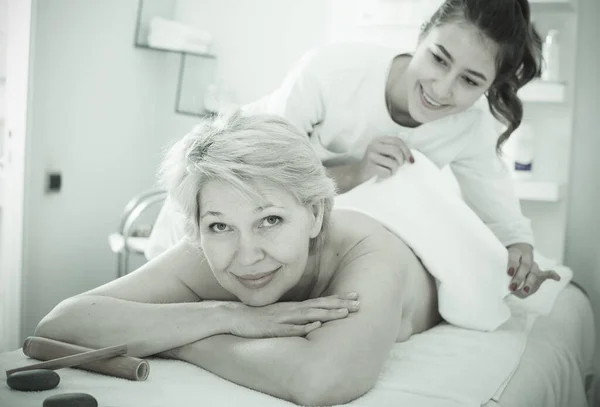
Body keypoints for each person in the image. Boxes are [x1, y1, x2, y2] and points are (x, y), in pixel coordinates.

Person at [145, 0, 548, 299]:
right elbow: (264, 182)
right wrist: (354, 171)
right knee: (169, 300)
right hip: (226, 193)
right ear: (421, 38)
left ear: (489, 88)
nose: (442, 89)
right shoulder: (333, 72)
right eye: (439, 59)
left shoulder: (470, 125)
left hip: (288, 244)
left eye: (470, 81)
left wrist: (520, 255)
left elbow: (503, 217)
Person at [34, 111, 443, 406]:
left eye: (270, 220)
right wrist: (223, 315)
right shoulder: (214, 243)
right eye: (218, 226)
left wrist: (181, 343)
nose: (247, 256)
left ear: (316, 214)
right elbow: (62, 324)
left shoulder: (371, 253)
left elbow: (320, 379)